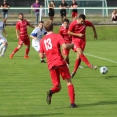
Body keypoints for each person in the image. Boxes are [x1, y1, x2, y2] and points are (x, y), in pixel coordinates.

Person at [39, 20, 77, 108]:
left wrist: (48, 53)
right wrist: (72, 44)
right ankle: (72, 103)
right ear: (53, 27)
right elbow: (65, 46)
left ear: (45, 28)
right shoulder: (57, 36)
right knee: (69, 82)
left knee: (57, 86)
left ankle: (51, 91)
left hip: (51, 64)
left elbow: (41, 55)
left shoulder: (42, 40)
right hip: (60, 62)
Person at [68, 14, 98, 78]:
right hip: (75, 40)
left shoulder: (85, 22)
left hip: (83, 41)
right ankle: (90, 65)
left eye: (83, 21)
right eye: (81, 21)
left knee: (78, 57)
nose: (82, 23)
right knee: (80, 52)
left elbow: (92, 25)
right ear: (78, 19)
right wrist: (78, 35)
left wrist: (95, 33)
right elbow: (69, 32)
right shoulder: (73, 24)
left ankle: (74, 72)